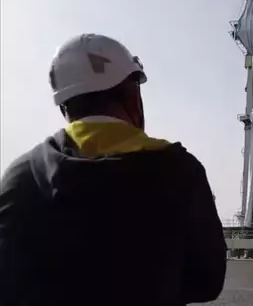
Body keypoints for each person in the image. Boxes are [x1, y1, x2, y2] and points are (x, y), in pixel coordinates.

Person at [0, 34, 227, 306]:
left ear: (64, 106)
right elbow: (208, 282)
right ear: (133, 97)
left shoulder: (20, 176)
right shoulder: (181, 172)